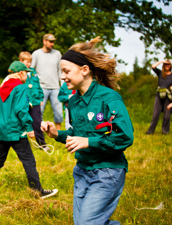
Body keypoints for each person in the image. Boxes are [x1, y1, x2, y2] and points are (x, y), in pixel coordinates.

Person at [41, 37, 134, 225]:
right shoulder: (73, 101)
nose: (63, 76)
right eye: (61, 72)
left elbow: (125, 137)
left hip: (107, 171)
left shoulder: (109, 98)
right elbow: (76, 134)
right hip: (82, 171)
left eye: (66, 71)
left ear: (84, 70)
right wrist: (56, 134)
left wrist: (89, 141)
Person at [0, 61, 58, 199]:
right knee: (29, 161)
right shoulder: (20, 88)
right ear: (22, 73)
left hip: (3, 131)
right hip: (17, 132)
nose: (27, 76)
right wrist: (29, 128)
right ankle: (38, 192)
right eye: (26, 73)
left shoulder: (2, 88)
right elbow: (21, 110)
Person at [31, 33, 63, 130]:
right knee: (39, 111)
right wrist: (34, 87)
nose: (52, 44)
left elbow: (60, 70)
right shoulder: (36, 54)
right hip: (41, 87)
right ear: (44, 41)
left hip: (55, 87)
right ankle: (39, 131)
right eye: (50, 41)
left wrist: (62, 85)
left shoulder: (57, 54)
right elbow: (32, 70)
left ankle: (58, 132)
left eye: (53, 42)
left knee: (58, 111)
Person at [18, 51, 49, 150]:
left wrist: (40, 97)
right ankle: (21, 145)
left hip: (35, 101)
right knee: (22, 123)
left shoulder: (33, 72)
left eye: (30, 62)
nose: (29, 64)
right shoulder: (18, 73)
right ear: (21, 61)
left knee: (37, 122)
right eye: (27, 62)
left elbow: (38, 86)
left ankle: (42, 144)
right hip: (24, 102)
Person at [146, 59, 172, 135]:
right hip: (159, 96)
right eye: (166, 64)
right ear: (164, 65)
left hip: (168, 97)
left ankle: (165, 131)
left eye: (168, 64)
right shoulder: (160, 73)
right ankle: (150, 131)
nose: (167, 66)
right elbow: (153, 66)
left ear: (170, 66)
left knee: (167, 115)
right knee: (155, 115)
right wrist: (162, 61)